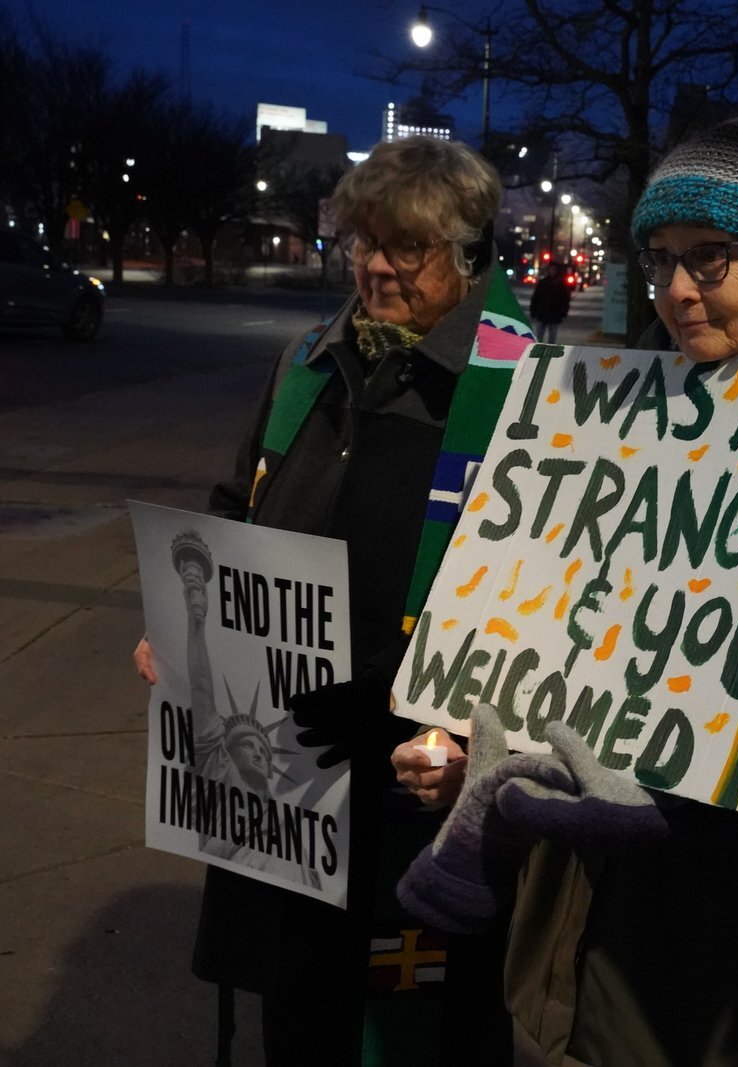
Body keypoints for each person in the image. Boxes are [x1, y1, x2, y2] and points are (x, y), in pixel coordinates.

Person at [392, 116, 738, 1067]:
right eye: (661, 259)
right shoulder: (630, 399)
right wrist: (484, 748)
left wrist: (688, 796)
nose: (678, 288)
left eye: (710, 259)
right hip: (596, 937)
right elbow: (559, 633)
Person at [133, 135, 530, 1065]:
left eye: (407, 247)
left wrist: (484, 736)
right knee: (304, 1016)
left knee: (419, 1030)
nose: (376, 267)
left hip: (420, 789)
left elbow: (557, 607)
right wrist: (182, 626)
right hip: (288, 773)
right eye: (363, 241)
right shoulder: (309, 362)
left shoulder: (527, 387)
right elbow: (239, 505)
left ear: (469, 258)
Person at [528, 261, 572, 343]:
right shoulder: (543, 282)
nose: (552, 271)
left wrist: (563, 312)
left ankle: (549, 352)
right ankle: (540, 351)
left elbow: (565, 300)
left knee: (552, 338)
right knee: (539, 337)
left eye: (554, 270)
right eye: (551, 270)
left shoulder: (561, 284)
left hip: (554, 314)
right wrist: (533, 311)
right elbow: (536, 298)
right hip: (542, 313)